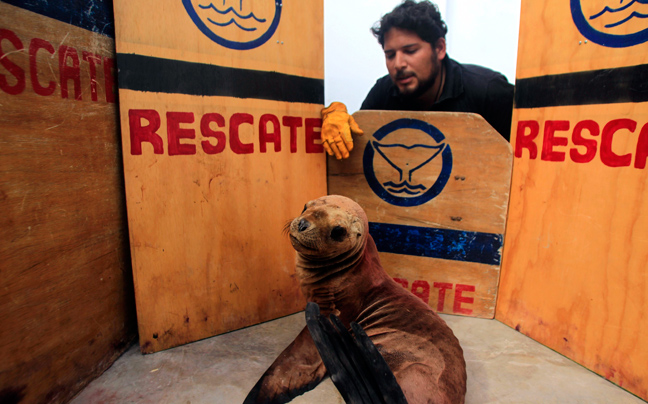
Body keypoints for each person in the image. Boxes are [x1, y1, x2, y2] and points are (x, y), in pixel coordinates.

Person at [321, 0, 514, 160]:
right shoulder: (384, 90)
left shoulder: (489, 90)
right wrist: (332, 114)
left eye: (410, 51)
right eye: (390, 55)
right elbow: (358, 155)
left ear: (439, 48)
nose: (398, 64)